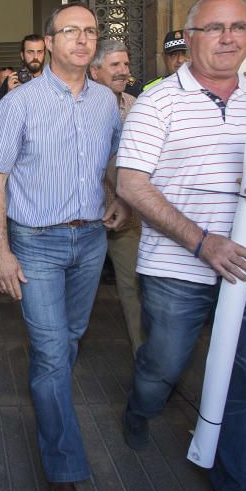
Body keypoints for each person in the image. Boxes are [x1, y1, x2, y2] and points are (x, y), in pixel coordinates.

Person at [117, 0, 246, 491]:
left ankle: (235, 485)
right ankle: (140, 409)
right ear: (191, 37)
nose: (228, 38)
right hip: (177, 270)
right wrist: (203, 244)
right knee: (162, 367)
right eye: (215, 28)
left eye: (239, 28)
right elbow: (132, 184)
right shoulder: (159, 100)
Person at [0, 1, 125, 491]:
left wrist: (114, 197)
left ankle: (49, 392)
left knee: (69, 340)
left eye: (90, 31)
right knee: (50, 353)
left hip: (90, 241)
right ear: (48, 42)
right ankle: (64, 469)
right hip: (36, 243)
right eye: (71, 31)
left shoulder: (107, 101)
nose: (83, 40)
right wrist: (0, 252)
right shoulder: (16, 104)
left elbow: (108, 160)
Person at [88, 38, 144, 354]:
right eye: (115, 65)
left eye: (125, 64)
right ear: (95, 71)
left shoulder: (137, 108)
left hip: (126, 218)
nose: (123, 71)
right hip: (83, 220)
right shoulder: (77, 108)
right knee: (74, 294)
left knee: (134, 288)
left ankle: (145, 361)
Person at [0, 34, 46, 98]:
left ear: (44, 55)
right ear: (22, 55)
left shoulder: (51, 80)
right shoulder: (12, 81)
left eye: (39, 52)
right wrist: (9, 93)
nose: (35, 57)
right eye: (30, 52)